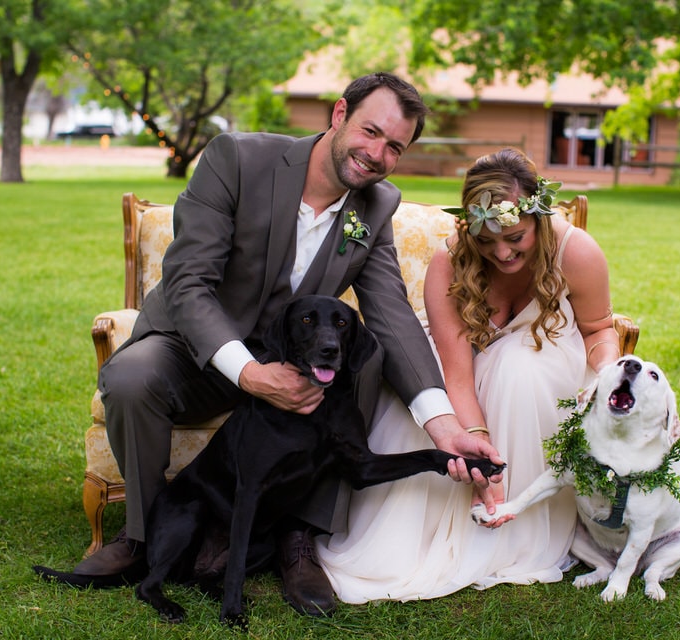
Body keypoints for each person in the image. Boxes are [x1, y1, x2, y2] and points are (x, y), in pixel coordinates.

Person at [66, 72, 504, 616]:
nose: (377, 154)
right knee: (132, 377)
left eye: (395, 146)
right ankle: (142, 537)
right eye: (371, 131)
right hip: (198, 352)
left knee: (365, 359)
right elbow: (188, 282)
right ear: (339, 114)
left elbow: (391, 314)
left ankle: (300, 540)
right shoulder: (236, 160)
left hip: (297, 372)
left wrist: (445, 427)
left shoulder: (374, 206)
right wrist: (249, 373)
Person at [316, 147, 622, 602]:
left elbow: (598, 329)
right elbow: (456, 372)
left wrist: (610, 378)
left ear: (538, 217)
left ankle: (518, 528)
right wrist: (478, 453)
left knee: (520, 370)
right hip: (463, 361)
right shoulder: (451, 261)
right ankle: (422, 533)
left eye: (515, 238)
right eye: (485, 240)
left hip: (544, 355)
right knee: (422, 390)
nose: (501, 253)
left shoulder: (577, 252)